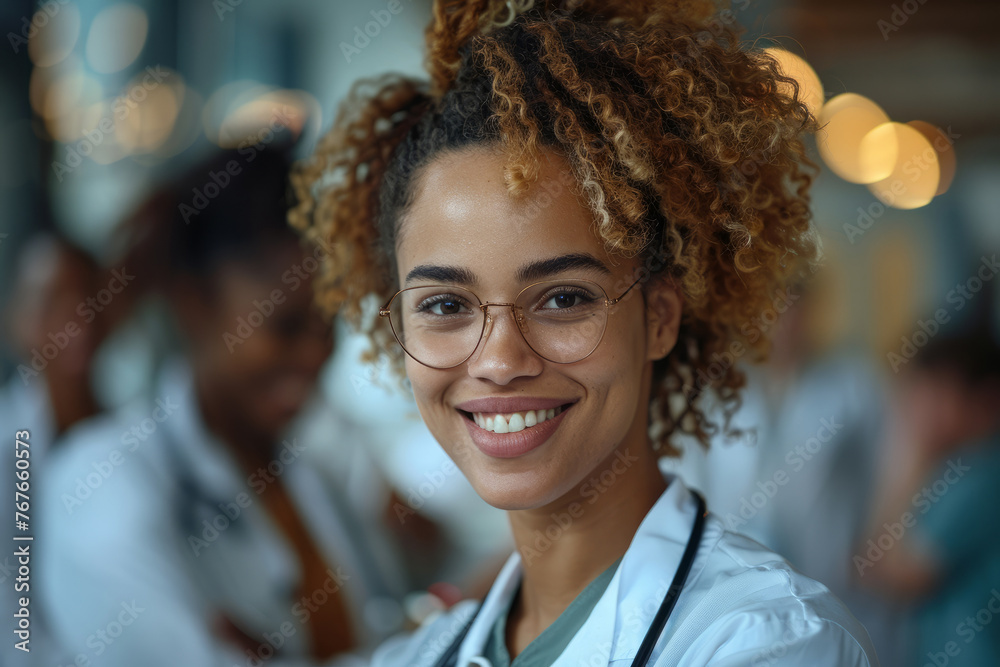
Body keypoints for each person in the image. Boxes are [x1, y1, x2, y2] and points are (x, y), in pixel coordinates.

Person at [288, 1, 880, 665]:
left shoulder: (769, 641)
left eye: (563, 298)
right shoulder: (422, 654)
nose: (500, 359)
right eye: (446, 305)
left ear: (659, 316)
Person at [37, 145, 409, 666]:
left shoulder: (310, 473)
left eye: (328, 329)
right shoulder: (101, 479)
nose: (313, 356)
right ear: (195, 303)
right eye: (285, 327)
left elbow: (394, 630)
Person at [1, 232, 113, 667]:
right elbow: (21, 637)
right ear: (18, 321)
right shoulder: (13, 454)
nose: (76, 321)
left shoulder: (132, 435)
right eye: (53, 303)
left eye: (88, 299)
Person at [858, 331, 1000, 667]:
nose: (917, 410)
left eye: (935, 393)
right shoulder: (957, 468)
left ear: (987, 399)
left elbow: (894, 573)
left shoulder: (981, 474)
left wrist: (910, 461)